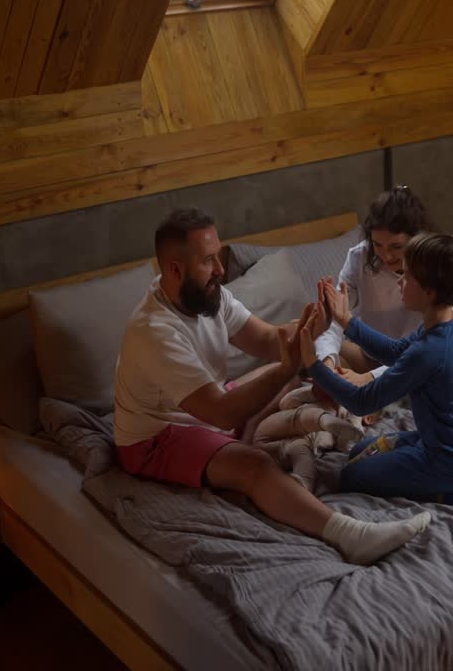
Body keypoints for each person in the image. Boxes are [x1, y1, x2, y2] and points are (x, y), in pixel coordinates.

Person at [112, 208, 430, 564]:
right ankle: (350, 536)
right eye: (209, 260)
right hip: (159, 436)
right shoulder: (155, 332)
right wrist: (285, 367)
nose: (220, 269)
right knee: (254, 466)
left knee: (292, 374)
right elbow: (221, 411)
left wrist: (316, 321)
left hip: (207, 407)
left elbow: (265, 340)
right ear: (174, 270)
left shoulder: (208, 295)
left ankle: (245, 442)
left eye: (218, 256)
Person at [301, 233, 453, 506]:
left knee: (351, 476)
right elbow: (397, 353)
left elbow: (362, 402)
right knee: (360, 450)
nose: (399, 281)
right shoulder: (446, 326)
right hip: (450, 444)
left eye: (407, 277)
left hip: (448, 460)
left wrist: (313, 366)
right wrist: (347, 321)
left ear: (429, 291)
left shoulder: (430, 351)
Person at [315, 186, 453, 388]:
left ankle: (391, 391)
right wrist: (328, 362)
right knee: (307, 335)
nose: (386, 257)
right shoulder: (360, 257)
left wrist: (369, 379)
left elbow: (424, 351)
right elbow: (334, 319)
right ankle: (393, 392)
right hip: (374, 354)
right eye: (377, 245)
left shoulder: (438, 269)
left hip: (422, 362)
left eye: (396, 247)